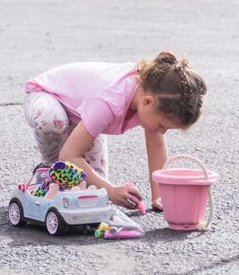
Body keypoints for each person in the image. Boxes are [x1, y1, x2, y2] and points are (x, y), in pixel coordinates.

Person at [23, 51, 207, 211]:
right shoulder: (109, 102)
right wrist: (111, 191)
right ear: (148, 102)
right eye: (162, 125)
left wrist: (158, 196)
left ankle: (60, 181)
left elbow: (157, 147)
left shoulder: (152, 95)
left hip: (81, 118)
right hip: (46, 96)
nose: (162, 131)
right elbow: (69, 156)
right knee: (51, 124)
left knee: (91, 192)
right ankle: (47, 169)